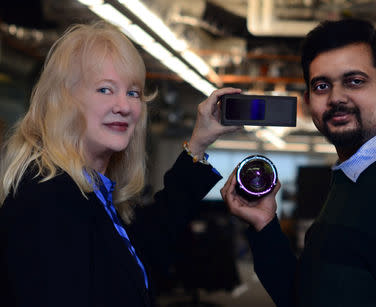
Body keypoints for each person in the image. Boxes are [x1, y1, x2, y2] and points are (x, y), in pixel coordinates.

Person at [0, 21, 241, 307]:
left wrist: (198, 144)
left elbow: (144, 248)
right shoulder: (47, 203)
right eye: (105, 89)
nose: (124, 106)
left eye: (133, 92)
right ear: (63, 100)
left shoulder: (89, 194)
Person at [221, 18, 376, 307]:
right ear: (308, 102)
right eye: (321, 86)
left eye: (355, 81)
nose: (336, 98)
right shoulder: (354, 175)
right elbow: (306, 297)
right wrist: (264, 225)